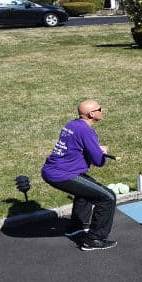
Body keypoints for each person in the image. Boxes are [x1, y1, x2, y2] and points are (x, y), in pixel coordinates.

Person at [40, 99, 117, 251]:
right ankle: (94, 239)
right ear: (92, 114)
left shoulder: (72, 125)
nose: (102, 111)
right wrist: (103, 152)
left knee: (85, 192)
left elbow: (76, 146)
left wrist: (94, 148)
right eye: (100, 109)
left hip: (54, 170)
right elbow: (98, 161)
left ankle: (76, 226)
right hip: (63, 174)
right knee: (108, 197)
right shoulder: (86, 131)